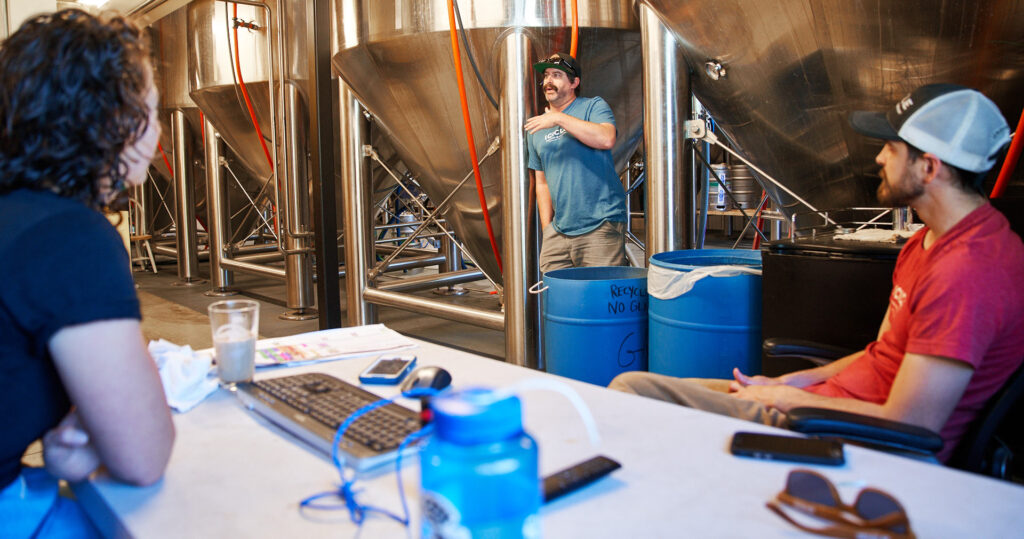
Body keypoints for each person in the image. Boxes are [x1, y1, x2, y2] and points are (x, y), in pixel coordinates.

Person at [610, 83, 1024, 463]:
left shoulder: (968, 271)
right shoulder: (929, 240)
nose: (879, 157)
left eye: (893, 148)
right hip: (824, 405)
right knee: (635, 388)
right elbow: (883, 353)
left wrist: (789, 402)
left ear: (929, 168)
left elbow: (910, 425)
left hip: (848, 437)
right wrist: (800, 380)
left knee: (630, 397)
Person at [0, 9, 175, 535]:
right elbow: (143, 456)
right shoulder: (69, 238)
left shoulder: (17, 214)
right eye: (152, 108)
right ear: (112, 119)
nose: (160, 127)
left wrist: (64, 453)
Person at [525, 52, 628, 273]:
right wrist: (547, 227)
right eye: (546, 76)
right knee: (559, 302)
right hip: (559, 232)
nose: (548, 81)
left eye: (557, 75)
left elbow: (606, 138)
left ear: (574, 83)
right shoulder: (536, 128)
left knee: (599, 300)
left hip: (600, 224)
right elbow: (541, 182)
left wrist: (558, 118)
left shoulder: (593, 107)